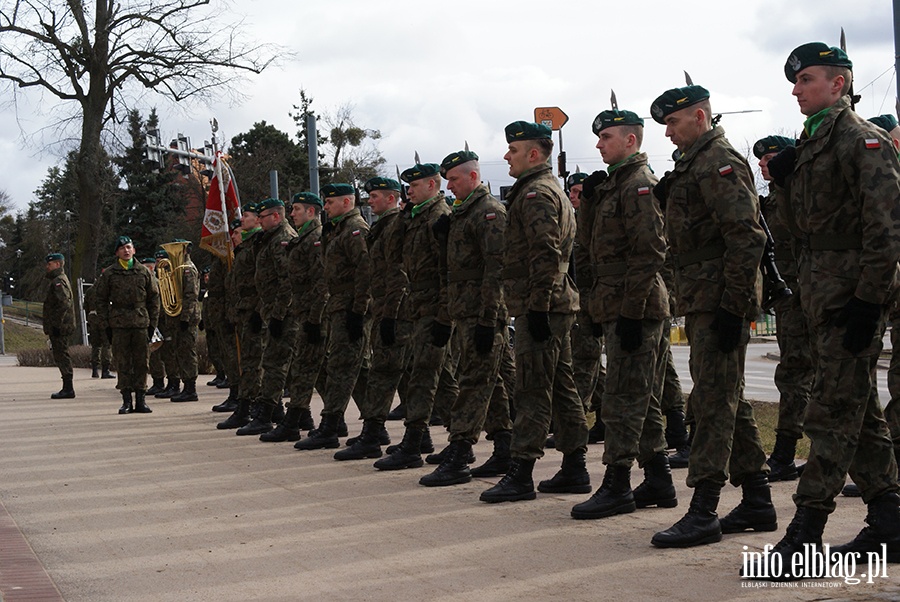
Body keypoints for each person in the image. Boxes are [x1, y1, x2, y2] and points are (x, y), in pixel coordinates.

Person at [749, 44, 900, 578]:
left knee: (831, 413)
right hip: (821, 296)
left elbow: (886, 231)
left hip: (849, 300)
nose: (796, 89)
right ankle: (889, 519)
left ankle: (805, 533)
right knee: (859, 414)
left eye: (807, 80)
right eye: (795, 81)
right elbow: (797, 232)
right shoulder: (813, 146)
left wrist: (868, 300)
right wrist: (783, 181)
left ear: (838, 85)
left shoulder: (863, 141)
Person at [648, 84, 772, 547]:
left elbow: (747, 236)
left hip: (720, 300)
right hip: (703, 298)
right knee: (728, 400)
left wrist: (733, 306)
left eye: (673, 122)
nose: (667, 133)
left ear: (700, 117)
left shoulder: (717, 160)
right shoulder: (692, 163)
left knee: (712, 403)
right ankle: (758, 499)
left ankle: (703, 509)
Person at [569, 108, 674, 519]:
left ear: (631, 140)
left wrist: (631, 313)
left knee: (622, 398)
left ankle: (617, 483)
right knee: (642, 399)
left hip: (639, 306)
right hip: (617, 304)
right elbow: (593, 249)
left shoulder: (639, 185)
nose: (598, 144)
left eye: (606, 137)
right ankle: (660, 479)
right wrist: (589, 203)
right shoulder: (614, 186)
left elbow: (650, 253)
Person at [480, 121, 589, 503]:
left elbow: (546, 254)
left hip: (541, 304)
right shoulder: (543, 189)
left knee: (531, 389)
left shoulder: (534, 195)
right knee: (561, 387)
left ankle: (521, 471)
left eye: (513, 150)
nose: (506, 156)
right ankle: (575, 466)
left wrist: (538, 306)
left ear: (534, 154)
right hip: (552, 302)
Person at [419, 150, 511, 486]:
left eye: (454, 179)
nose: (449, 186)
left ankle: (459, 453)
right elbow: (453, 271)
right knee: (495, 384)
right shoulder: (462, 214)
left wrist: (488, 319)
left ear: (473, 177)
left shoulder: (489, 213)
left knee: (473, 383)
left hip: (481, 314)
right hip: (464, 312)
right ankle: (505, 447)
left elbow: (496, 270)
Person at [372, 161, 456, 471]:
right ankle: (458, 439)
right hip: (418, 308)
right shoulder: (417, 217)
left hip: (435, 308)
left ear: (433, 186)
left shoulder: (440, 217)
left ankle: (415, 441)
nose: (409, 191)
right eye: (407, 187)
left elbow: (448, 271)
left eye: (415, 186)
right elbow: (396, 258)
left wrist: (445, 316)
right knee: (441, 379)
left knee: (424, 375)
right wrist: (405, 218)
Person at [753, 135, 812, 482]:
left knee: (797, 374)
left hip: (804, 293)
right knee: (796, 373)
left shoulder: (796, 192)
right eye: (761, 160)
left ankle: (787, 452)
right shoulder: (772, 200)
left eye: (771, 158)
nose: (764, 164)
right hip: (787, 297)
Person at [295, 184, 372, 450]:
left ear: (347, 201)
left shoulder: (356, 230)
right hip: (339, 307)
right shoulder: (337, 230)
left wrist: (358, 312)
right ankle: (375, 427)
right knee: (356, 370)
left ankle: (330, 426)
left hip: (349, 307)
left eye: (330, 202)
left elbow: (365, 273)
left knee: (341, 368)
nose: (325, 207)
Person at [336, 177, 407, 460]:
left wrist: (381, 312)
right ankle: (412, 436)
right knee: (397, 373)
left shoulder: (392, 226)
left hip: (397, 311)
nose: (369, 201)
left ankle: (380, 433)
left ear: (390, 199)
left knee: (388, 373)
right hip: (384, 309)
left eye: (375, 196)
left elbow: (397, 274)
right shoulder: (383, 226)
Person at [261, 193, 326, 442]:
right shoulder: (303, 238)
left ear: (311, 212)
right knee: (320, 371)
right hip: (303, 312)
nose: (292, 213)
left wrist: (313, 317)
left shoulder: (314, 238)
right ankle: (329, 421)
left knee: (304, 369)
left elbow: (318, 282)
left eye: (296, 209)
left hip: (310, 314)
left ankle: (295, 421)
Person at [237, 198, 298, 435]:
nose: (258, 221)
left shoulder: (282, 239)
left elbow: (286, 281)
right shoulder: (270, 238)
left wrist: (278, 315)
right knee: (276, 362)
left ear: (275, 217)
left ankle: (266, 415)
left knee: (275, 364)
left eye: (262, 217)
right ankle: (292, 415)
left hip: (282, 313)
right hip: (270, 310)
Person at [94, 236, 160, 414]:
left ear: (134, 250)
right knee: (122, 363)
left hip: (140, 322)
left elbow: (154, 299)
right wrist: (105, 324)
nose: (126, 250)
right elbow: (100, 300)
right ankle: (126, 401)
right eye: (122, 248)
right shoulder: (109, 274)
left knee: (141, 362)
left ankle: (141, 400)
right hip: (119, 323)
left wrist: (152, 324)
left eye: (129, 247)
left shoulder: (144, 272)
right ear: (117, 252)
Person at [217, 203, 267, 430]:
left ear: (258, 220)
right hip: (244, 313)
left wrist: (258, 310)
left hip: (256, 313)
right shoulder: (246, 247)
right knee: (247, 362)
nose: (241, 219)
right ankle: (249, 406)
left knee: (255, 364)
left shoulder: (258, 245)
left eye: (245, 216)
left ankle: (254, 407)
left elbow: (263, 283)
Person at [566, 171, 606, 445]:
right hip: (579, 300)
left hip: (593, 300)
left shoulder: (593, 222)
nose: (573, 196)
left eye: (579, 192)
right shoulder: (574, 221)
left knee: (584, 361)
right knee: (593, 366)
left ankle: (574, 424)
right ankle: (602, 419)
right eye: (571, 192)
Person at [169, 240, 202, 403]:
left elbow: (191, 295)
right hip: (180, 315)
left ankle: (191, 388)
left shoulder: (188, 269)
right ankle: (186, 386)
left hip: (187, 317)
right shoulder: (178, 269)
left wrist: (185, 318)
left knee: (187, 351)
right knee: (180, 351)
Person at [43, 252, 76, 399]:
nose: (47, 267)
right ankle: (67, 387)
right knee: (61, 354)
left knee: (62, 355)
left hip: (61, 326)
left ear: (57, 264)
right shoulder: (59, 280)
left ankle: (68, 388)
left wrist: (56, 324)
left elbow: (64, 303)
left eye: (49, 264)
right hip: (61, 325)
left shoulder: (58, 281)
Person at [84, 268, 114, 380]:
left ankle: (94, 370)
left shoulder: (90, 290)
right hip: (104, 318)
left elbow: (85, 306)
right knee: (107, 344)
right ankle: (105, 370)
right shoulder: (107, 289)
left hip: (92, 318)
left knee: (95, 345)